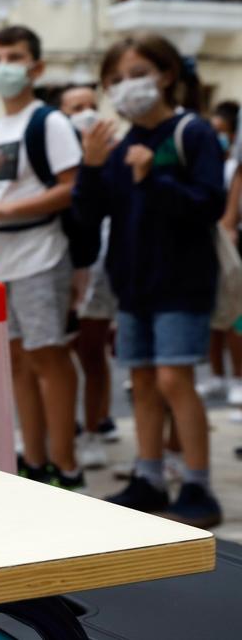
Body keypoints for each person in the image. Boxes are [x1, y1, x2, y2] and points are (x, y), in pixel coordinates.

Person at [76, 32, 224, 529]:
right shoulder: (118, 146)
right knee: (139, 382)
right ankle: (150, 476)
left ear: (165, 75)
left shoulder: (191, 132)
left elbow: (210, 203)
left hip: (182, 281)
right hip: (132, 282)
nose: (125, 87)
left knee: (172, 378)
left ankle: (198, 485)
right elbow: (90, 216)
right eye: (114, 80)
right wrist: (92, 169)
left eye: (137, 74)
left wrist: (153, 180)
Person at [0, 26, 82, 489]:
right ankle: (35, 457)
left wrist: (5, 208)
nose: (3, 66)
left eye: (13, 56)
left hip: (40, 253)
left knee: (48, 357)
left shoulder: (49, 121)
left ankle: (66, 465)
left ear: (36, 67)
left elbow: (69, 189)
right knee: (17, 364)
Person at [58, 84, 119, 468]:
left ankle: (95, 428)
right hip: (61, 260)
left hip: (101, 261)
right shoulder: (55, 155)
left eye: (91, 106)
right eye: (76, 107)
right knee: (59, 352)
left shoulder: (114, 153)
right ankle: (65, 429)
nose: (86, 112)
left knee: (92, 350)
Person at [201, 100, 242, 407]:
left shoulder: (232, 168)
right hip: (217, 245)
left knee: (236, 320)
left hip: (232, 242)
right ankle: (218, 376)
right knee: (217, 317)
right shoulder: (215, 164)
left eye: (222, 131)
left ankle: (238, 377)